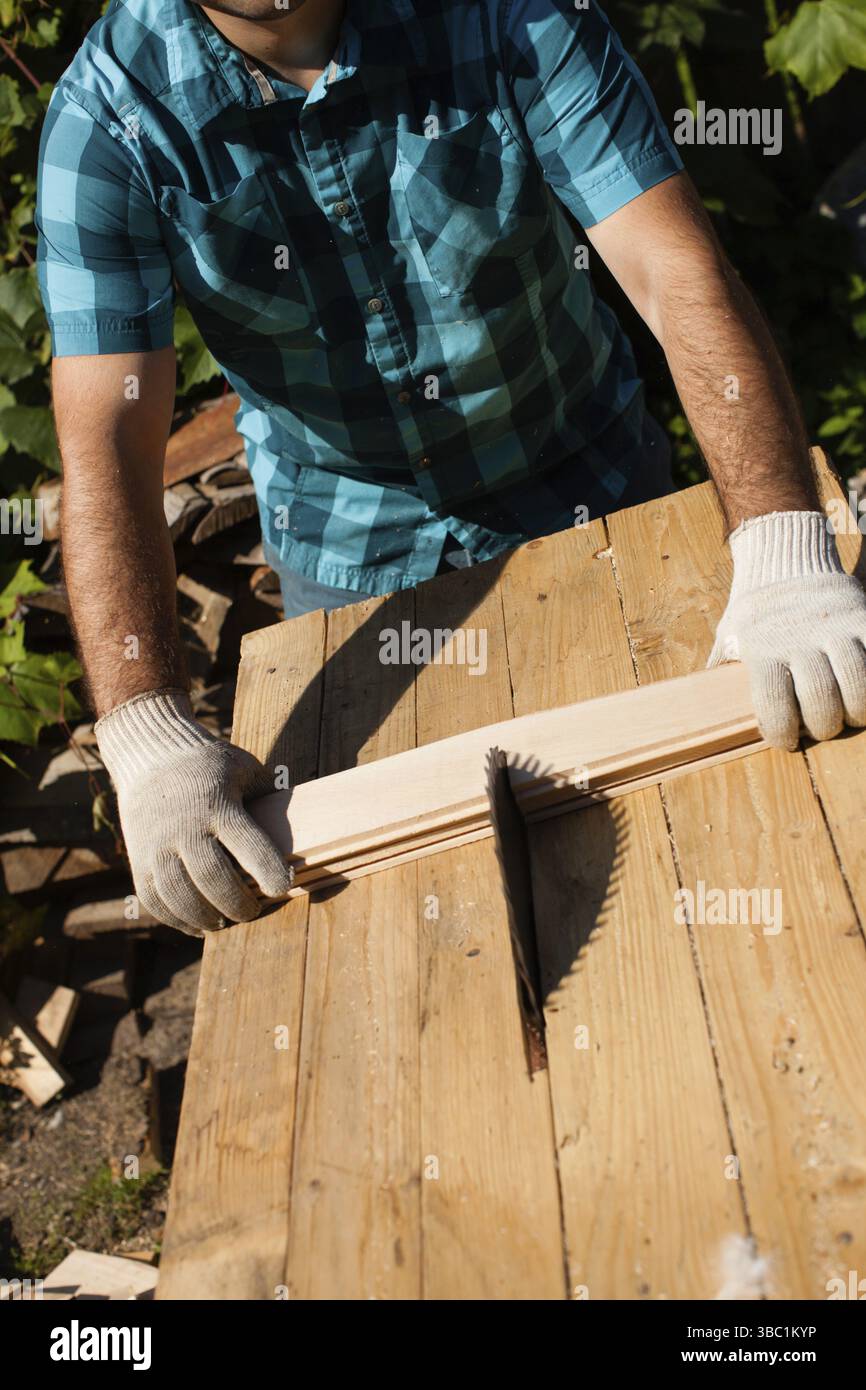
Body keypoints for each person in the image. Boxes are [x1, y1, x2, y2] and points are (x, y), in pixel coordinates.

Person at [36, 0, 866, 934]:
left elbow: (675, 270)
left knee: (717, 851)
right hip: (349, 551)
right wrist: (144, 731)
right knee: (412, 939)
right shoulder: (110, 119)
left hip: (592, 479)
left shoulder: (512, 13)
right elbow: (110, 434)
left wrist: (785, 548)